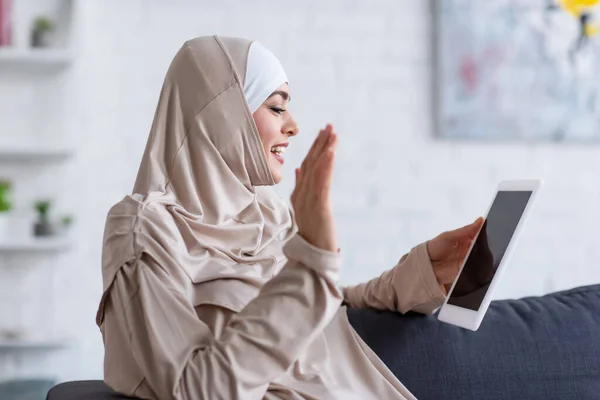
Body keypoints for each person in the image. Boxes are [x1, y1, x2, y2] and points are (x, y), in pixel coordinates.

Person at [95, 35, 484, 400]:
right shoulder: (145, 230)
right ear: (221, 113)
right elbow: (196, 387)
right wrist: (313, 259)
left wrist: (421, 276)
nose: (293, 125)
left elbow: (319, 315)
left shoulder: (268, 211)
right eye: (277, 106)